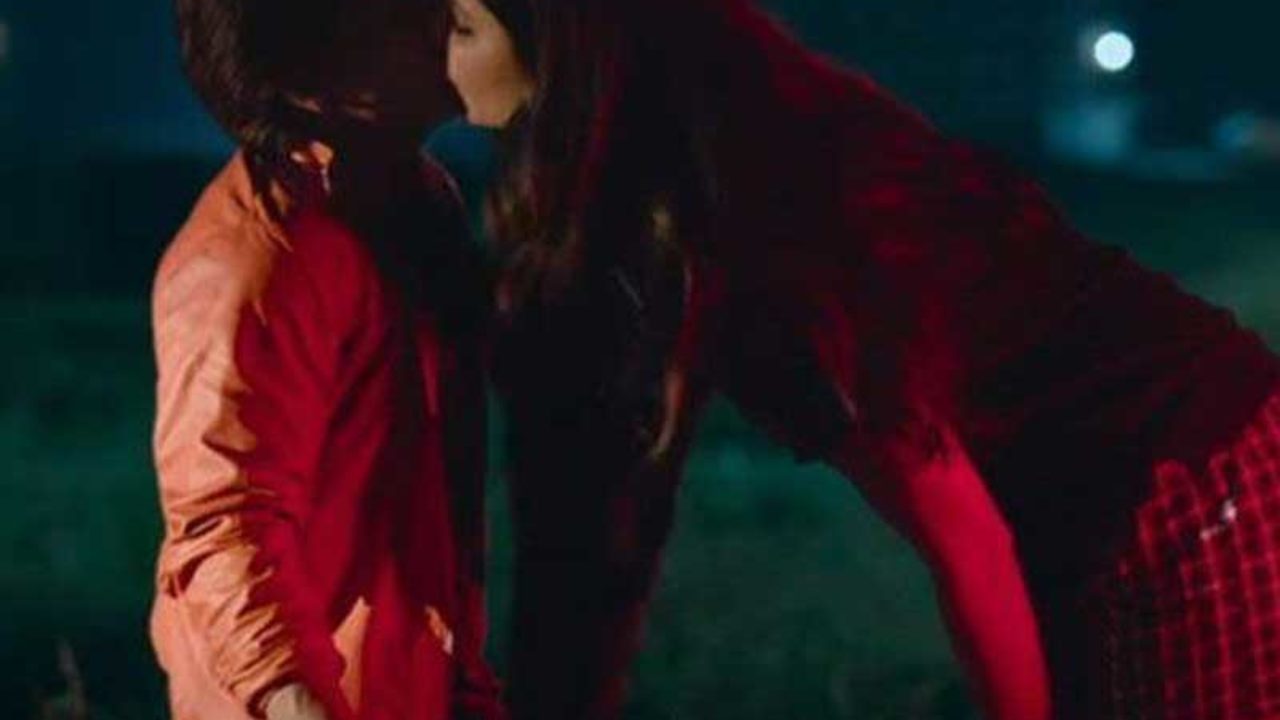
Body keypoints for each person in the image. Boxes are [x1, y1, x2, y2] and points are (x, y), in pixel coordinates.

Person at [442, 0, 1280, 718]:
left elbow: (962, 531)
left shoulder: (770, 214)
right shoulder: (635, 205)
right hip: (1096, 502)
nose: (431, 49)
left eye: (462, 26)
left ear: (561, 38)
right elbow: (602, 531)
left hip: (1189, 483)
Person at [148, 1, 504, 718]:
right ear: (308, 71)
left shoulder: (413, 202)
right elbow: (226, 526)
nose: (440, 19)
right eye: (393, 14)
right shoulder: (254, 258)